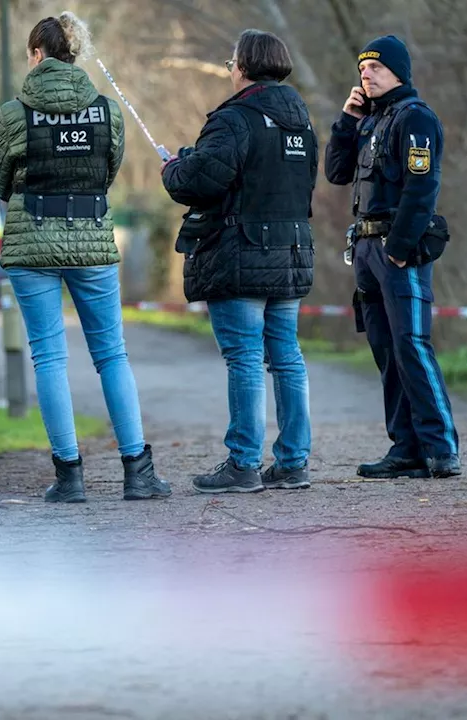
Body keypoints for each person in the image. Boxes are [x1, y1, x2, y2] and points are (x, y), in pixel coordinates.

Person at [0, 12, 171, 503]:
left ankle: (69, 477)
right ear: (75, 54)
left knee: (49, 356)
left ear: (36, 54)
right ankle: (138, 472)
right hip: (90, 238)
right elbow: (107, 171)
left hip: (31, 243)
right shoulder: (107, 111)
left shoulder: (12, 113)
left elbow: (1, 181)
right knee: (111, 355)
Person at [160, 30, 317, 494]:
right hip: (292, 252)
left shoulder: (235, 119)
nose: (230, 69)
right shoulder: (302, 120)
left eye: (232, 61)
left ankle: (244, 464)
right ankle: (293, 463)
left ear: (244, 66)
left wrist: (174, 167)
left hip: (242, 253)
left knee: (245, 358)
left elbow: (200, 182)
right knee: (287, 358)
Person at [324, 35, 460, 479]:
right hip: (365, 251)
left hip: (397, 251)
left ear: (398, 71)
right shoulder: (370, 120)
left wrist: (399, 250)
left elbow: (422, 189)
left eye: (376, 68)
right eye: (362, 69)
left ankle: (441, 449)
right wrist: (347, 120)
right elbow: (337, 172)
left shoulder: (415, 118)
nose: (366, 74)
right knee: (386, 351)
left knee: (412, 346)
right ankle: (405, 449)